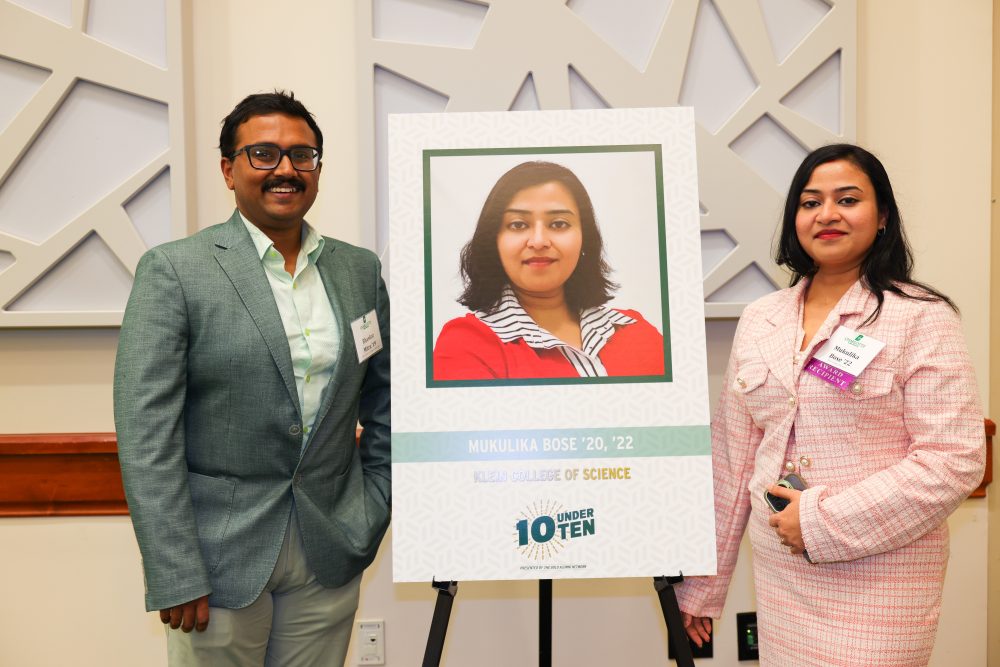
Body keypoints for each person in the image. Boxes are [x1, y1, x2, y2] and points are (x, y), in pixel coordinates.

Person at [677, 144, 985, 666]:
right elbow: (732, 459)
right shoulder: (761, 318)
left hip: (881, 579)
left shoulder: (921, 317)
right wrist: (703, 588)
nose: (827, 214)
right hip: (782, 579)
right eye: (810, 202)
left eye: (847, 199)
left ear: (882, 216)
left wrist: (821, 521)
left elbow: (953, 460)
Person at [114, 91, 391, 666]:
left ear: (317, 168)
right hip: (215, 559)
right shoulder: (175, 271)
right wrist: (174, 569)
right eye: (263, 154)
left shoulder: (358, 270)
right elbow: (147, 436)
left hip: (330, 545)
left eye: (302, 155)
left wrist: (373, 507)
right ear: (228, 169)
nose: (285, 169)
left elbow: (387, 401)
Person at [432, 160, 665, 380]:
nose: (539, 241)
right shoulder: (466, 345)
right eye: (518, 225)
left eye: (558, 224)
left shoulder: (636, 330)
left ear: (585, 238)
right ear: (493, 240)